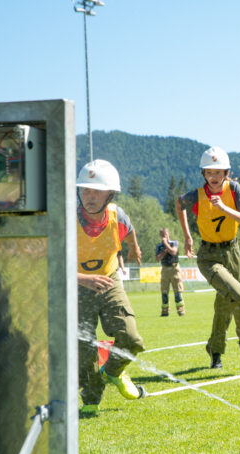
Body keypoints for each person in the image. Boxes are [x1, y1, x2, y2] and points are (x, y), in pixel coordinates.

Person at [176, 146, 240, 369]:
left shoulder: (234, 190)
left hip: (232, 253)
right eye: (209, 172)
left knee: (224, 305)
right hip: (208, 256)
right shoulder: (197, 194)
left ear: (226, 173)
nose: (213, 177)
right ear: (203, 174)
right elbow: (179, 203)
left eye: (218, 172)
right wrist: (187, 237)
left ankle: (215, 353)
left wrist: (224, 208)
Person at [76, 159, 146, 415]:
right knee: (83, 347)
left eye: (96, 191)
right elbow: (52, 263)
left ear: (110, 195)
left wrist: (133, 248)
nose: (90, 196)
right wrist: (84, 279)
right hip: (77, 285)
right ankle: (91, 400)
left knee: (131, 339)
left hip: (109, 279)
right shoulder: (67, 220)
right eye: (85, 190)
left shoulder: (119, 216)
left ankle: (113, 372)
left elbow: (130, 231)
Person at [155, 227, 185, 317]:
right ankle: (165, 311)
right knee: (164, 291)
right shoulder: (159, 246)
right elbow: (157, 258)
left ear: (169, 234)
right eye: (162, 235)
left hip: (174, 269)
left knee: (177, 291)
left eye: (165, 234)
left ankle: (181, 311)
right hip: (164, 269)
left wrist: (166, 244)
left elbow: (173, 252)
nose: (164, 236)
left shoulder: (174, 242)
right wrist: (164, 251)